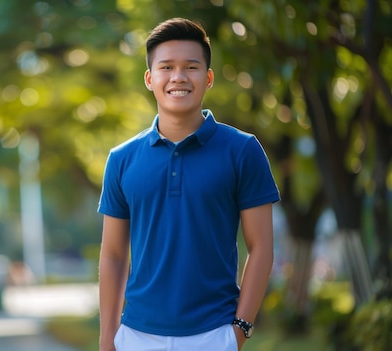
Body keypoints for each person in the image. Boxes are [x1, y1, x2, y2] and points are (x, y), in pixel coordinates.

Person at [97, 18, 280, 351]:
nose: (178, 77)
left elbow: (262, 248)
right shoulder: (122, 159)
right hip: (137, 336)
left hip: (215, 334)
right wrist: (108, 338)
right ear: (150, 79)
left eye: (191, 67)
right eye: (166, 67)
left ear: (208, 78)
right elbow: (112, 254)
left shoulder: (242, 150)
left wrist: (237, 332)